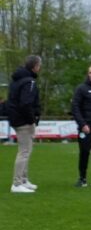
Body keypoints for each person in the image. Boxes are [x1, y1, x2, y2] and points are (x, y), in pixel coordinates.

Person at [8, 55, 42, 193]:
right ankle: (16, 184)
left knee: (26, 150)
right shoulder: (29, 82)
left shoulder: (17, 80)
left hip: (17, 119)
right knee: (24, 152)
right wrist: (32, 120)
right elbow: (25, 103)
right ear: (35, 67)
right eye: (39, 65)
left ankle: (23, 180)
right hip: (23, 121)